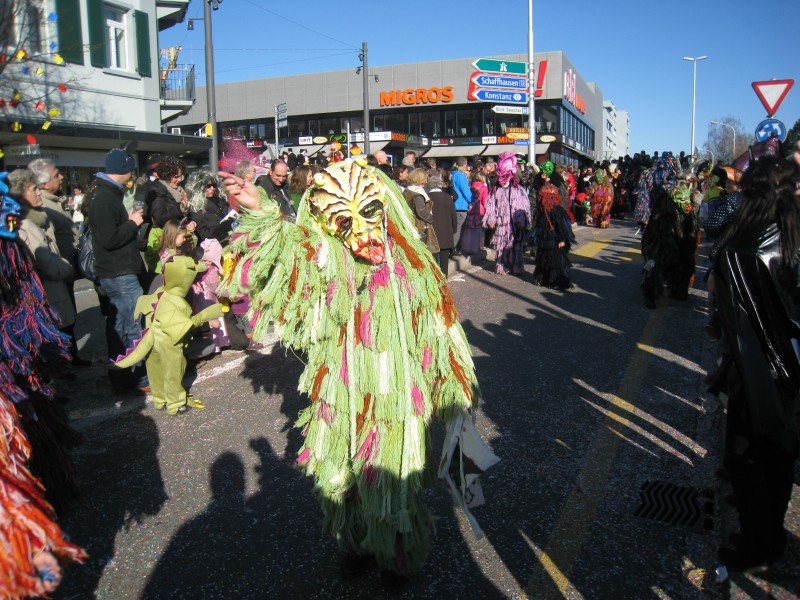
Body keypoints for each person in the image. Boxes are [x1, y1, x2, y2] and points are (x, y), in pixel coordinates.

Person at [217, 158, 496, 582]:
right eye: (344, 222)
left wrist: (453, 390)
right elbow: (293, 259)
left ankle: (397, 556)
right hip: (340, 393)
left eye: (368, 213)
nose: (363, 234)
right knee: (340, 475)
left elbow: (440, 331)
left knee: (392, 480)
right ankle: (355, 544)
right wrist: (262, 214)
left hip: (396, 399)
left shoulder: (415, 267)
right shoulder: (329, 261)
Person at [712, 155, 800, 575]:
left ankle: (756, 543)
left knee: (746, 459)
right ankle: (771, 536)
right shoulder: (791, 235)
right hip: (789, 370)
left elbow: (733, 321)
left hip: (756, 371)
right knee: (779, 459)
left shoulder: (742, 248)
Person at [0, 174, 87, 597]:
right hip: (12, 356)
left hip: (17, 355)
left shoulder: (12, 242)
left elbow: (23, 292)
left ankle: (50, 494)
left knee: (34, 422)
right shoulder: (14, 239)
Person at [112, 256, 222, 415]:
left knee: (155, 370)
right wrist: (206, 315)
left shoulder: (160, 292)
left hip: (151, 336)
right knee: (173, 370)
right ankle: (175, 404)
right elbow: (185, 325)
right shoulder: (175, 301)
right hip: (167, 341)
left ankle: (160, 400)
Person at [88, 148, 149, 394]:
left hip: (117, 271)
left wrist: (132, 233)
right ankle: (137, 378)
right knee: (132, 326)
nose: (133, 174)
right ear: (125, 170)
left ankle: (122, 379)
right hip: (119, 272)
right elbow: (109, 239)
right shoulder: (104, 197)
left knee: (120, 325)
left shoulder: (106, 194)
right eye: (131, 169)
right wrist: (132, 223)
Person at [8, 169, 80, 366]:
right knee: (46, 348)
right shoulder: (25, 225)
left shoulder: (37, 219)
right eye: (33, 189)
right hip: (45, 296)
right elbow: (46, 262)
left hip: (52, 292)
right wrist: (67, 268)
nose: (39, 193)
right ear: (20, 195)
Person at [482, 153, 531, 275]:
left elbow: (523, 207)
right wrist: (491, 219)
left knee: (515, 244)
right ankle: (502, 266)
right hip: (501, 223)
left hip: (514, 224)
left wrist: (521, 221)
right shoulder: (496, 189)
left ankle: (516, 266)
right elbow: (491, 205)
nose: (502, 181)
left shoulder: (518, 189)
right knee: (502, 245)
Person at [531, 182, 576, 290]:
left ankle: (558, 281)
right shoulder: (542, 210)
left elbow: (563, 226)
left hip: (555, 240)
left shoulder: (557, 210)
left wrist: (562, 239)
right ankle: (545, 278)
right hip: (545, 240)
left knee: (556, 261)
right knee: (545, 259)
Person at [186, 171, 234, 244]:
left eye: (214, 185)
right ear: (200, 188)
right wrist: (224, 226)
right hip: (214, 244)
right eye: (208, 186)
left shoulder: (221, 200)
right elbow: (204, 234)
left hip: (231, 239)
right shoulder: (196, 208)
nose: (212, 188)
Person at [402, 168, 440, 261]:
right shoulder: (417, 194)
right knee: (425, 255)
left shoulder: (407, 191)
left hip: (411, 223)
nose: (426, 181)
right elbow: (421, 211)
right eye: (425, 178)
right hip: (421, 226)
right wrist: (432, 219)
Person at [427, 171, 457, 276]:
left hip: (432, 231)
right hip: (446, 231)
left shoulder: (427, 197)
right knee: (444, 257)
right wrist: (453, 228)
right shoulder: (447, 197)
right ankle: (444, 276)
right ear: (439, 184)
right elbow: (453, 215)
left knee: (433, 257)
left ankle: (435, 277)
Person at [460, 169, 487, 255]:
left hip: (471, 208)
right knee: (479, 230)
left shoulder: (472, 186)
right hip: (480, 210)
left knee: (469, 229)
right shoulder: (484, 187)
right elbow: (485, 201)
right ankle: (478, 246)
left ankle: (466, 247)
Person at [451, 157, 473, 255]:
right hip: (461, 205)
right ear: (464, 165)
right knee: (458, 228)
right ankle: (454, 249)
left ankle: (453, 248)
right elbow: (466, 191)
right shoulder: (461, 176)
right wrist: (472, 200)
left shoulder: (453, 174)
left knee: (455, 228)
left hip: (454, 204)